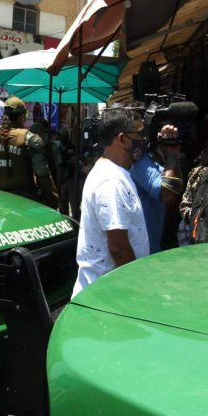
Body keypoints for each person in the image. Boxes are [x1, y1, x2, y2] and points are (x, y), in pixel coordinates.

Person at [74, 107, 151, 295]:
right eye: (140, 135)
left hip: (109, 290)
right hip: (106, 294)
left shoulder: (116, 173)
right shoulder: (111, 182)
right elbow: (118, 248)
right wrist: (138, 287)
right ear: (122, 139)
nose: (144, 141)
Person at [0, 97, 58, 207]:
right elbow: (43, 177)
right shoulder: (30, 139)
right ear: (22, 117)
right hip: (23, 204)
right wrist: (53, 203)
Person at [129, 123, 184, 254]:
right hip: (140, 253)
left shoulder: (152, 158)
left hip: (151, 246)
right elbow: (167, 194)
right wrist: (171, 155)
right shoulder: (138, 160)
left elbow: (177, 187)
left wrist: (173, 152)